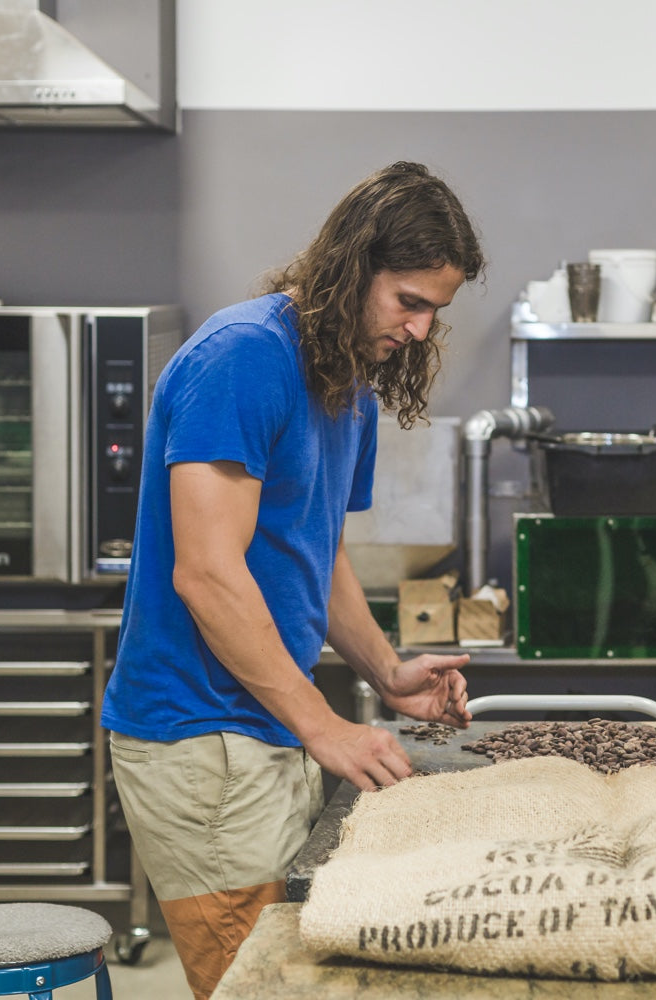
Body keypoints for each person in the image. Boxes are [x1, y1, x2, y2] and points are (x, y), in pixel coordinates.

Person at [101, 161, 483, 999]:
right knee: (259, 987)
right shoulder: (243, 358)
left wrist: (385, 672)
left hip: (264, 725)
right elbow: (206, 575)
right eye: (408, 302)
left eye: (435, 311)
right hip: (200, 738)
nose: (420, 330)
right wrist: (326, 727)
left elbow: (318, 553)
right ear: (353, 268)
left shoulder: (348, 385)